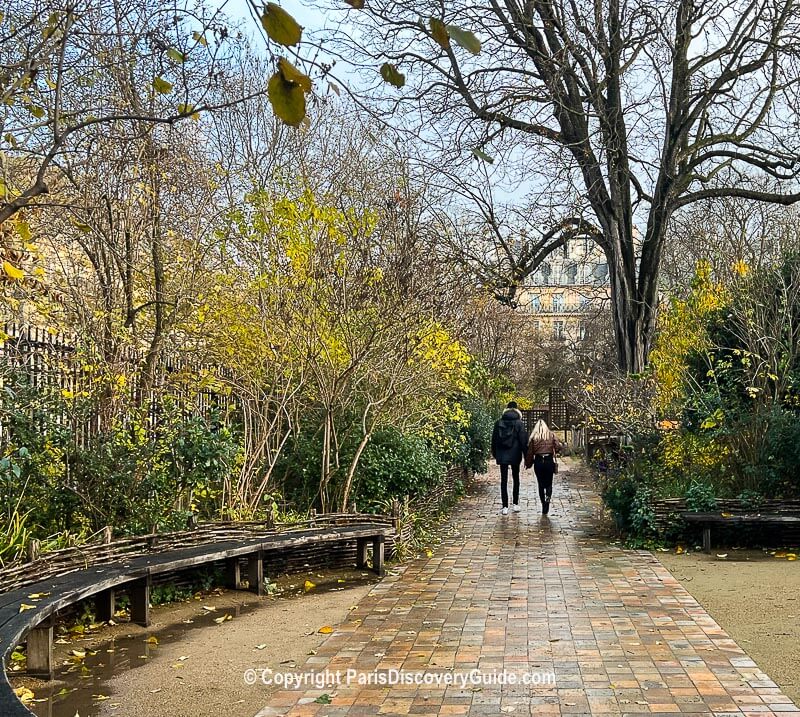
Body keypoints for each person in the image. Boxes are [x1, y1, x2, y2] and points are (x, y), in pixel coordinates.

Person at [490, 401, 529, 515]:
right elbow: (523, 441)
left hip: (502, 454)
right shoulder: (519, 423)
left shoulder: (498, 423)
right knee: (516, 478)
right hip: (515, 454)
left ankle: (505, 506)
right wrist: (527, 456)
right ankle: (516, 504)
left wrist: (495, 454)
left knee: (503, 480)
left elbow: (494, 440)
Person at [525, 419, 564, 515]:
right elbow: (558, 446)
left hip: (538, 462)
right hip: (548, 461)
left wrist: (528, 464)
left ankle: (543, 504)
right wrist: (557, 449)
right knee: (549, 482)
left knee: (540, 483)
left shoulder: (534, 437)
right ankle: (548, 497)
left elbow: (530, 453)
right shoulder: (551, 435)